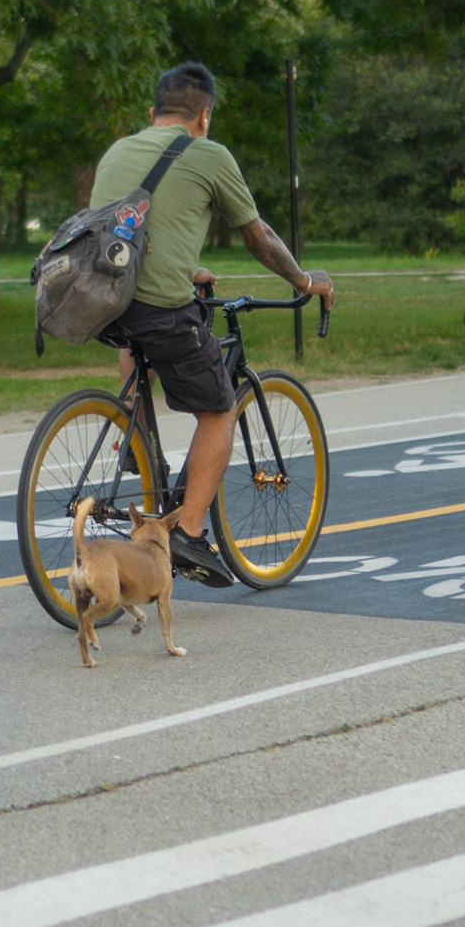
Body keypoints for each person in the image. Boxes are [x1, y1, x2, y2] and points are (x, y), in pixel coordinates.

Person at [88, 62, 336, 586]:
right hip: (159, 309)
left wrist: (187, 266)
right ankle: (190, 535)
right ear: (204, 116)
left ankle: (133, 424)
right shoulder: (209, 154)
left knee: (142, 334)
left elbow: (128, 237)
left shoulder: (117, 152)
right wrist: (302, 280)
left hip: (104, 303)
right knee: (220, 409)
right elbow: (259, 238)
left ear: (153, 115)